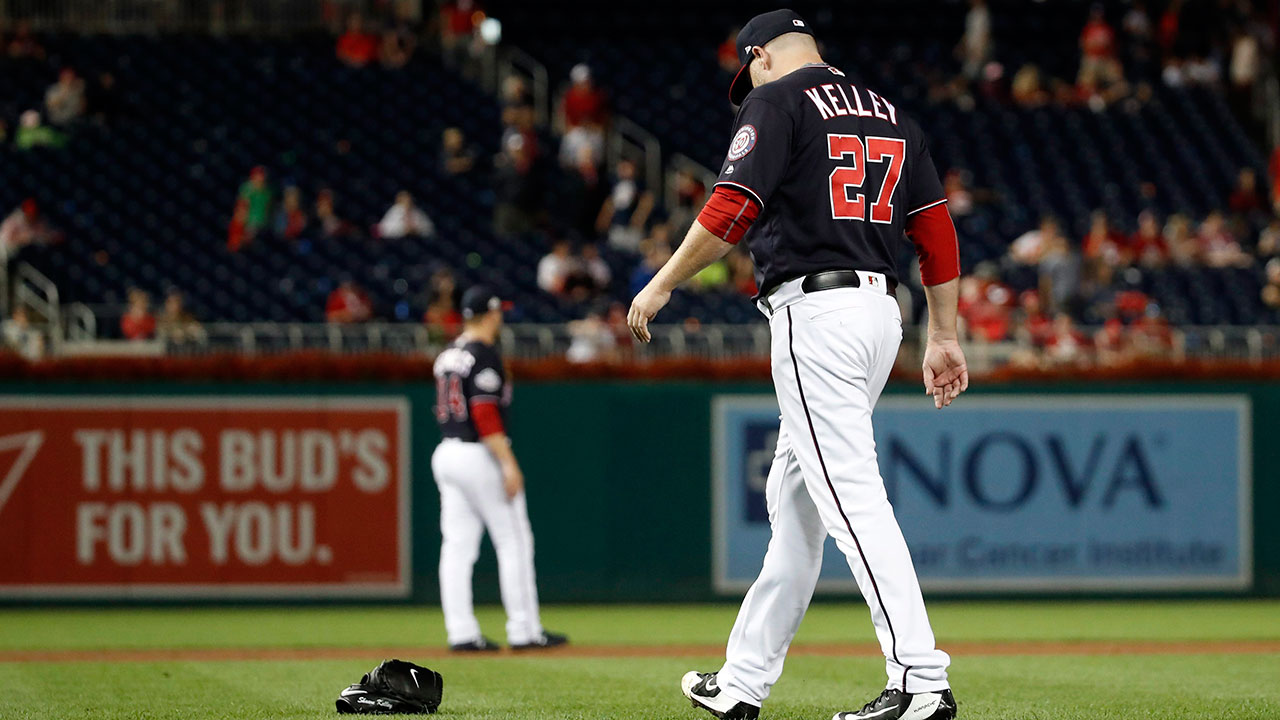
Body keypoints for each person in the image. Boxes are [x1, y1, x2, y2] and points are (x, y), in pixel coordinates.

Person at [627, 12, 962, 720]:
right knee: (798, 505)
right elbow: (934, 229)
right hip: (879, 316)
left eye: (746, 70)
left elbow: (733, 205)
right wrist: (946, 334)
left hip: (818, 316)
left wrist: (661, 283)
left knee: (850, 500)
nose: (745, 84)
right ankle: (742, 682)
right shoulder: (890, 114)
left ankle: (921, 680)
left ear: (761, 56)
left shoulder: (775, 99)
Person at [431, 286, 568, 652]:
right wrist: (508, 464)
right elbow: (484, 412)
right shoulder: (483, 353)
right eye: (498, 312)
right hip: (480, 454)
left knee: (457, 548)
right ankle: (524, 630)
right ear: (490, 314)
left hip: (447, 450)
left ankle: (461, 632)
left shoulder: (448, 354)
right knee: (514, 542)